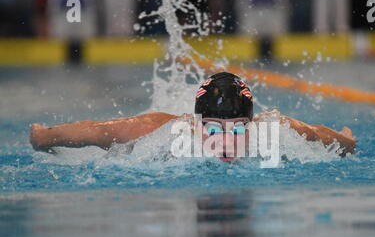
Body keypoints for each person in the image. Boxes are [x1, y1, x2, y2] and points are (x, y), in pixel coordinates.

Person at [29, 72, 356, 161]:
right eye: (214, 129)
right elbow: (97, 132)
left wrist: (345, 142)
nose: (226, 142)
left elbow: (319, 135)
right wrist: (45, 136)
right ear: (198, 123)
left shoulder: (274, 129)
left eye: (237, 129)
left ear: (250, 124)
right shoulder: (166, 130)